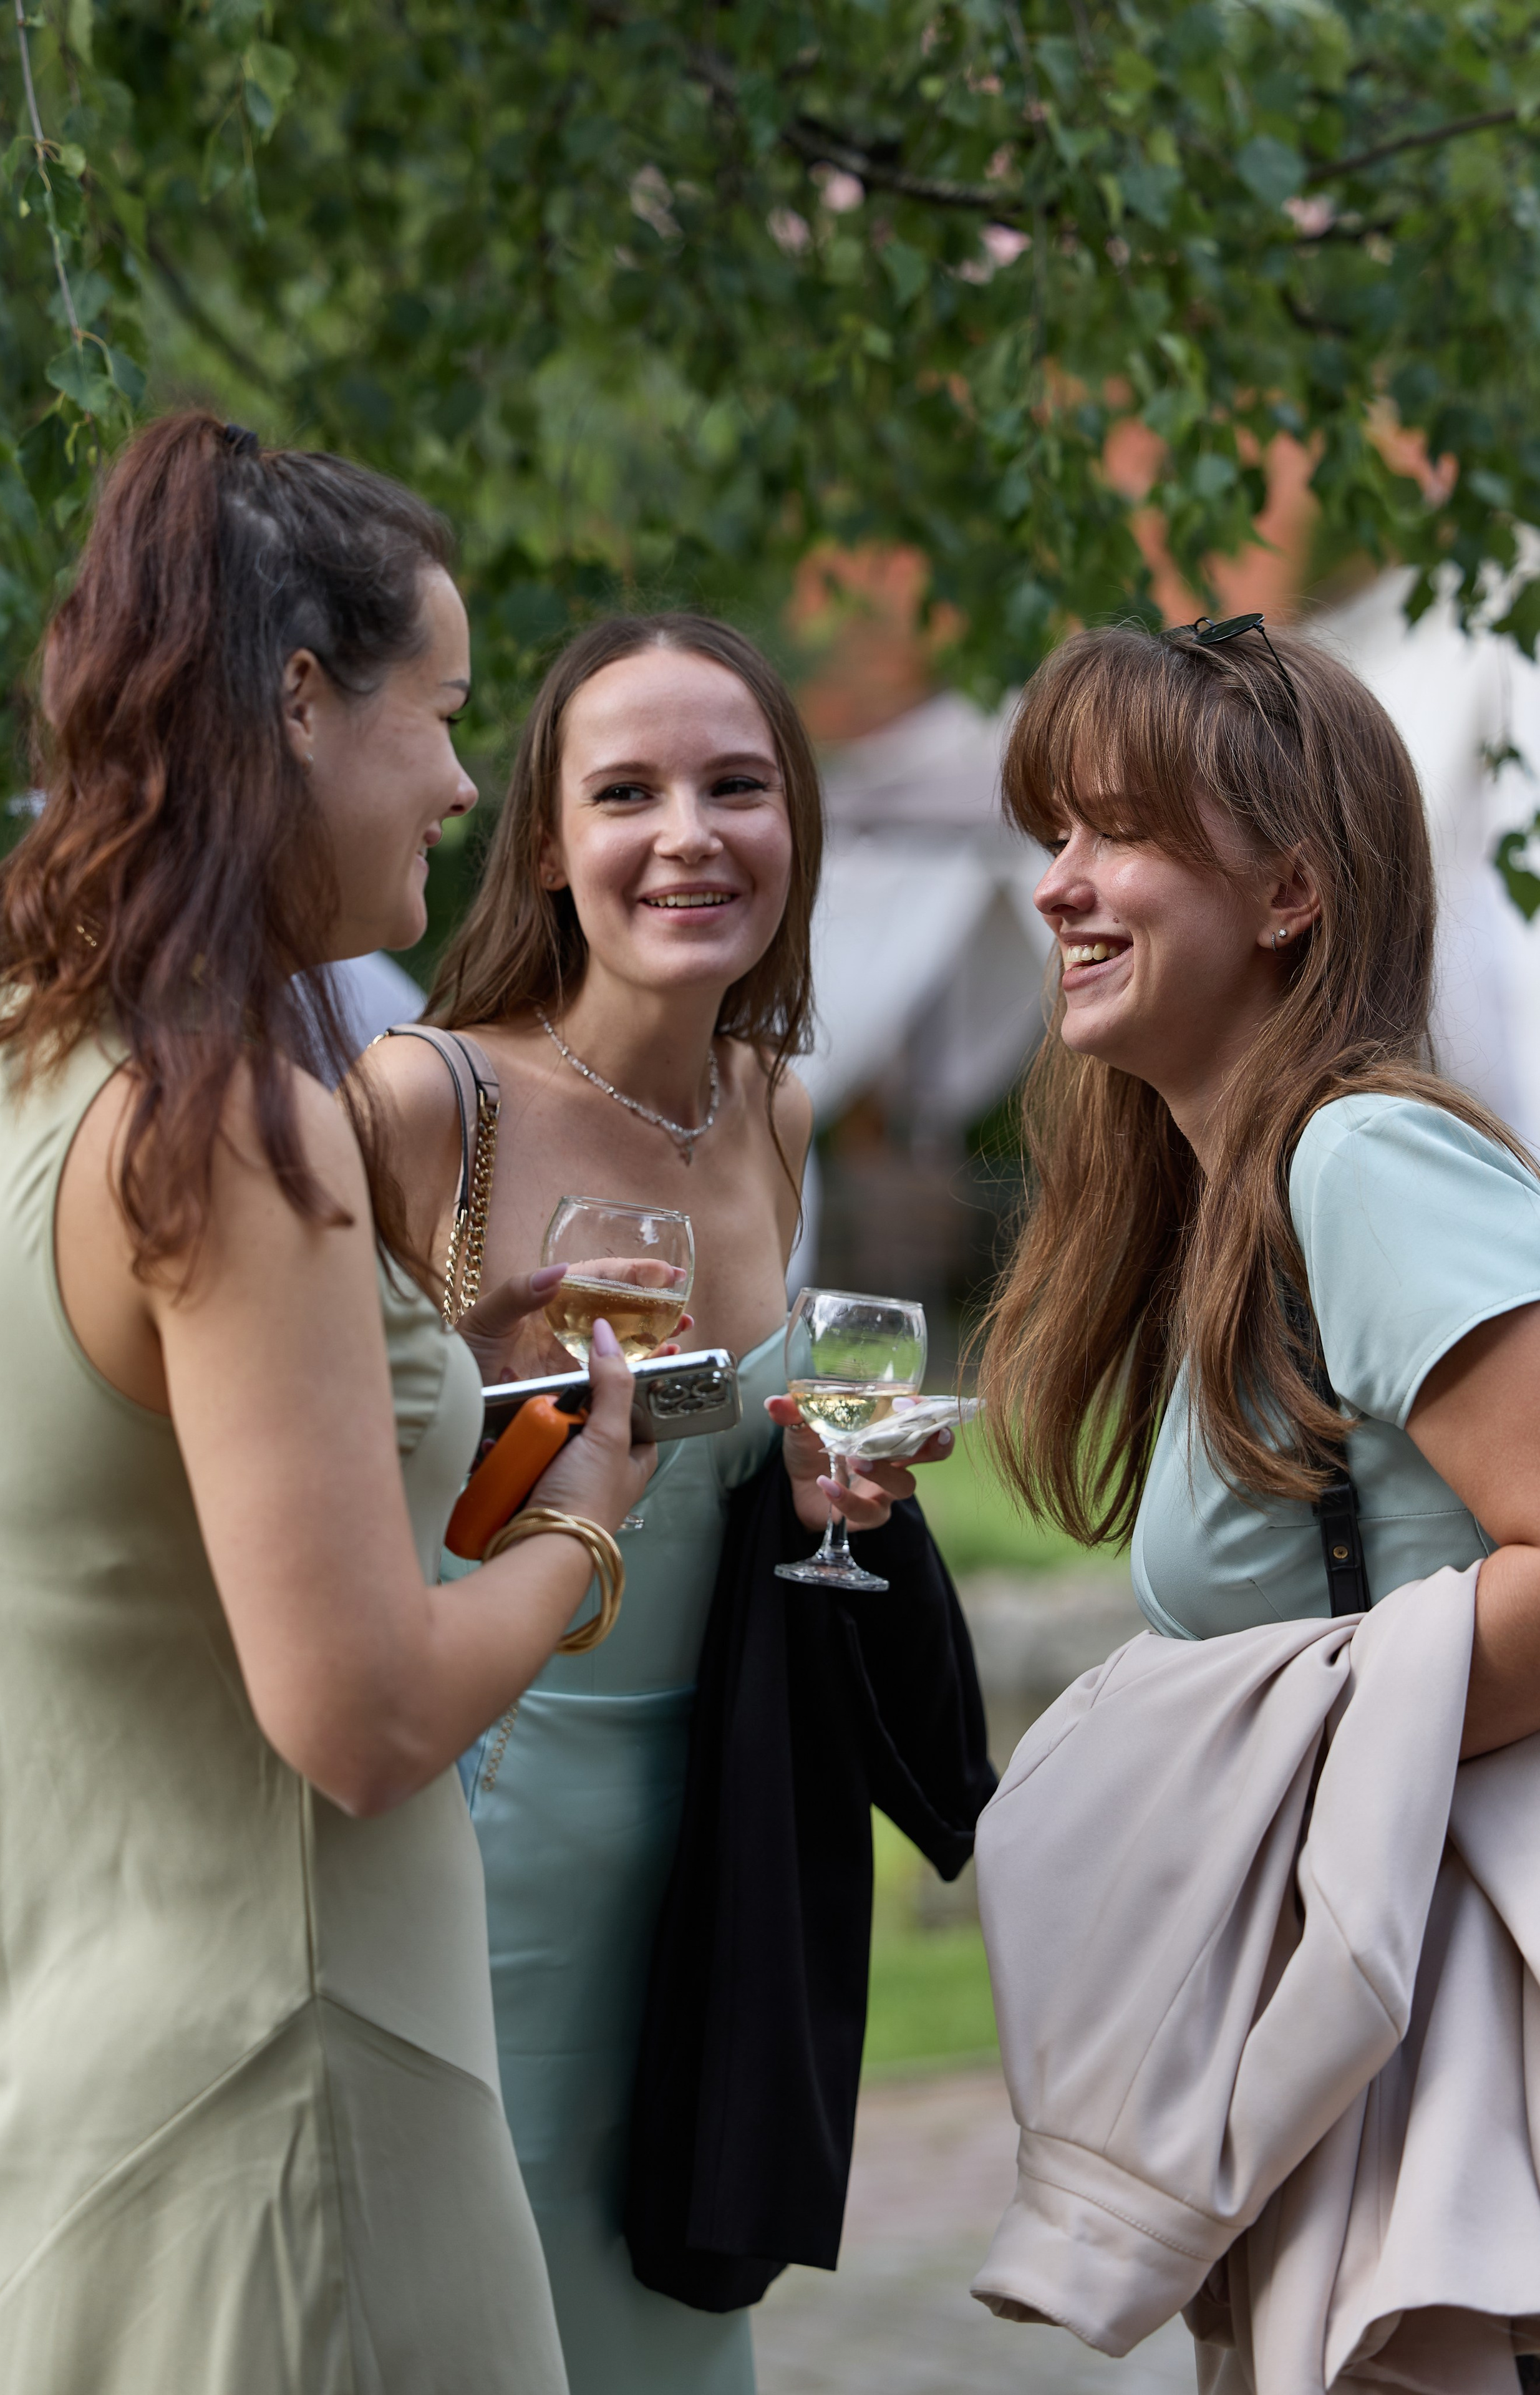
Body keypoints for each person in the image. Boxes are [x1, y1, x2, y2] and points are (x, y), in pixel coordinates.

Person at [0, 411, 651, 2393]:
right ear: (299, 699)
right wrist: (590, 1500)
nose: (456, 780)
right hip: (292, 2112)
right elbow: (365, 1716)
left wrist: (421, 1360)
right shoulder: (241, 1127)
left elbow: (131, 1528)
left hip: (44, 2097)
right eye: (438, 715)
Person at [359, 612, 951, 2395]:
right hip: (481, 1827)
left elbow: (742, 1460)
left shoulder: (771, 1111)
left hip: (726, 1829)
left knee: (674, 2330)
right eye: (627, 792)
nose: (688, 834)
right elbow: (324, 1471)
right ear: (545, 840)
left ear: (799, 829)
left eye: (737, 787)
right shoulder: (425, 1102)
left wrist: (831, 1488)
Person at [974, 616, 1540, 2386]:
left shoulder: (1358, 1164)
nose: (1061, 887)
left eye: (1117, 833)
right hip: (1383, 2063)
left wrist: (1316, 1750)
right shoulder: (1231, 1205)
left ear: (1291, 892)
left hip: (1467, 2072)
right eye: (1050, 836)